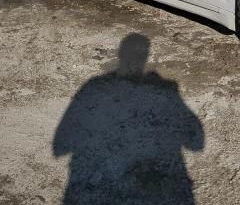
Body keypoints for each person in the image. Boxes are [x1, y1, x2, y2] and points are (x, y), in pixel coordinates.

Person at [53, 33, 204, 204]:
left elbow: (60, 146)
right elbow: (196, 143)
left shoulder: (94, 87)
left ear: (120, 55)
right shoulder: (165, 90)